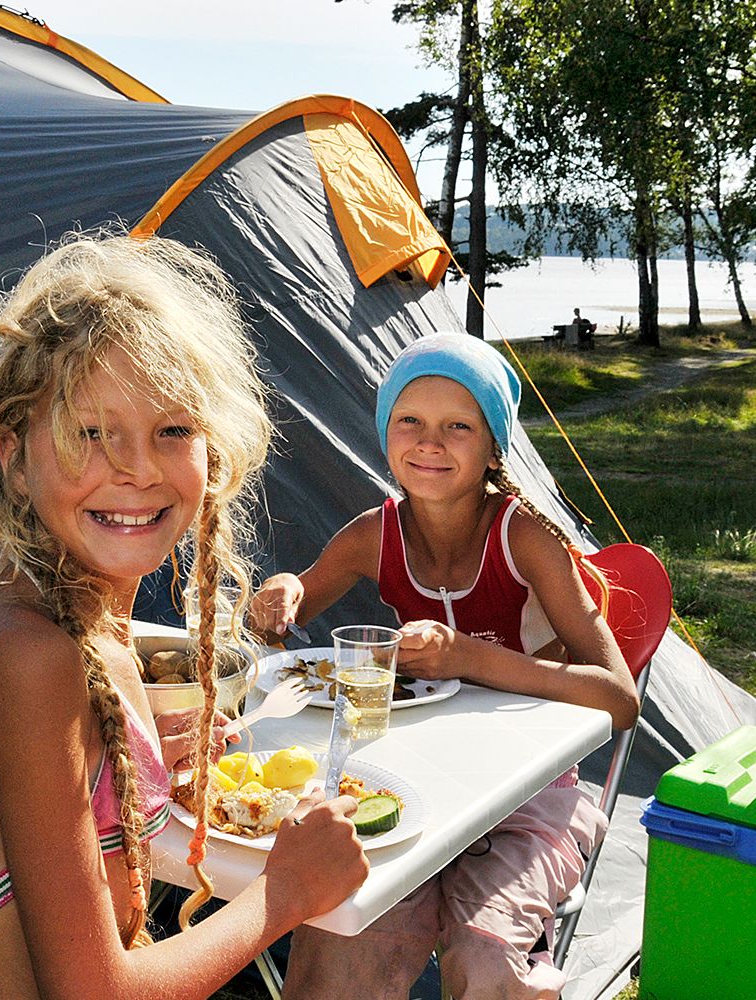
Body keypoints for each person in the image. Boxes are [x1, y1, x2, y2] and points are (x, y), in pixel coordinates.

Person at [0, 233, 370, 998]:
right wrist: (286, 893)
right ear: (13, 454)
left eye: (172, 430)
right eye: (89, 433)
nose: (135, 468)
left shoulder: (81, 628)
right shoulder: (27, 656)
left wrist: (109, 757)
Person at [253, 331, 640, 1000]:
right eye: (411, 421)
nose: (430, 442)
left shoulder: (526, 538)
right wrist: (280, 591)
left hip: (526, 797)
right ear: (386, 435)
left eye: (458, 426)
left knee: (484, 958)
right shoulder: (377, 533)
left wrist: (469, 658)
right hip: (412, 785)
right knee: (340, 933)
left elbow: (619, 699)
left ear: (494, 445)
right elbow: (295, 596)